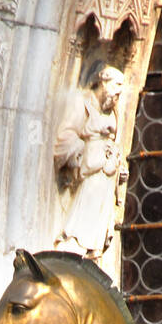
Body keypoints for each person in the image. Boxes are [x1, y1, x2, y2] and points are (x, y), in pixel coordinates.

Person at [54, 65, 129, 258]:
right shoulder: (83, 103)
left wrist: (119, 167)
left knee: (99, 214)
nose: (120, 90)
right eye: (117, 84)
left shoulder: (114, 111)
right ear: (104, 82)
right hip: (90, 169)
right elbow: (65, 135)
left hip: (107, 174)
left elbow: (115, 142)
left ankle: (92, 251)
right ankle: (73, 246)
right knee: (84, 207)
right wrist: (83, 158)